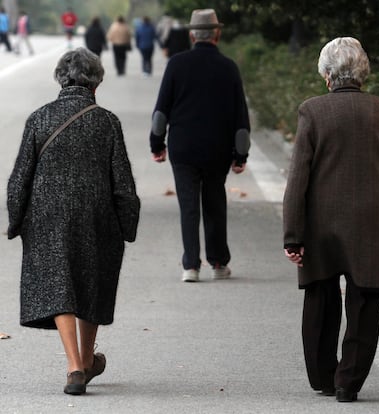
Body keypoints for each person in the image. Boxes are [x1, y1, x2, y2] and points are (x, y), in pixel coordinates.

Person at [283, 37, 379, 403]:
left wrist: (293, 236)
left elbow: (298, 178)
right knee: (365, 300)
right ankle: (348, 382)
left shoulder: (312, 111)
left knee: (320, 297)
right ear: (363, 73)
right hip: (369, 223)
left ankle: (324, 376)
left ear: (327, 75)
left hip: (320, 223)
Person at [7, 47, 140, 395]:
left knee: (59, 287)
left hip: (47, 217)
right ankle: (85, 357)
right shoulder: (106, 121)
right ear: (96, 81)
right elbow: (122, 182)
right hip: (97, 217)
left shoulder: (39, 118)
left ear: (60, 78)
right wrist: (127, 223)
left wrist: (16, 219)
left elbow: (20, 177)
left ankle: (75, 367)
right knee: (90, 283)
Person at [149, 9, 250, 282]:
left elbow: (161, 112)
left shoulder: (176, 64)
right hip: (218, 148)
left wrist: (156, 143)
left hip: (183, 147)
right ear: (217, 34)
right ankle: (218, 263)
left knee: (188, 205)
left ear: (192, 34)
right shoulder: (229, 67)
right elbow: (240, 116)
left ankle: (191, 266)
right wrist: (241, 154)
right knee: (215, 201)